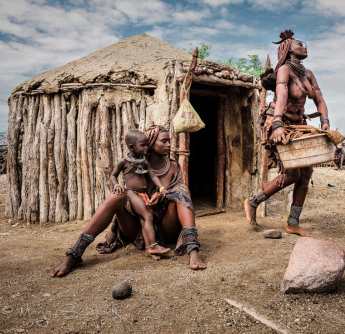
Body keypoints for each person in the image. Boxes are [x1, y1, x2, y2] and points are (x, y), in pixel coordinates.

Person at [50, 125, 206, 277]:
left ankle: (193, 250)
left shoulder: (173, 166)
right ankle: (74, 254)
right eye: (164, 141)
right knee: (117, 195)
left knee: (182, 190)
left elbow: (176, 192)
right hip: (138, 226)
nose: (169, 144)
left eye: (169, 141)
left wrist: (163, 195)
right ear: (151, 143)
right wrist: (119, 187)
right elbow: (127, 185)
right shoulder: (135, 163)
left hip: (166, 225)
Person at [244, 29, 330, 237]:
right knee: (292, 173)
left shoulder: (308, 73)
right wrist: (277, 124)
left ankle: (293, 223)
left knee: (306, 173)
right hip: (280, 120)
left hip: (299, 124)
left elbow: (319, 99)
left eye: (304, 44)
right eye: (300, 44)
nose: (304, 46)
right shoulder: (284, 70)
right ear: (288, 49)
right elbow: (281, 97)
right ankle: (254, 202)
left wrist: (325, 122)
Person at [110, 129, 170, 256]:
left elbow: (153, 177)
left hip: (144, 195)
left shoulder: (144, 161)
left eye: (147, 144)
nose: (146, 147)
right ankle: (154, 245)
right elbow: (113, 175)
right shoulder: (124, 162)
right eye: (143, 145)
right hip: (131, 193)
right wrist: (117, 185)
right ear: (131, 147)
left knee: (145, 220)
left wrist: (161, 188)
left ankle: (149, 249)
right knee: (148, 216)